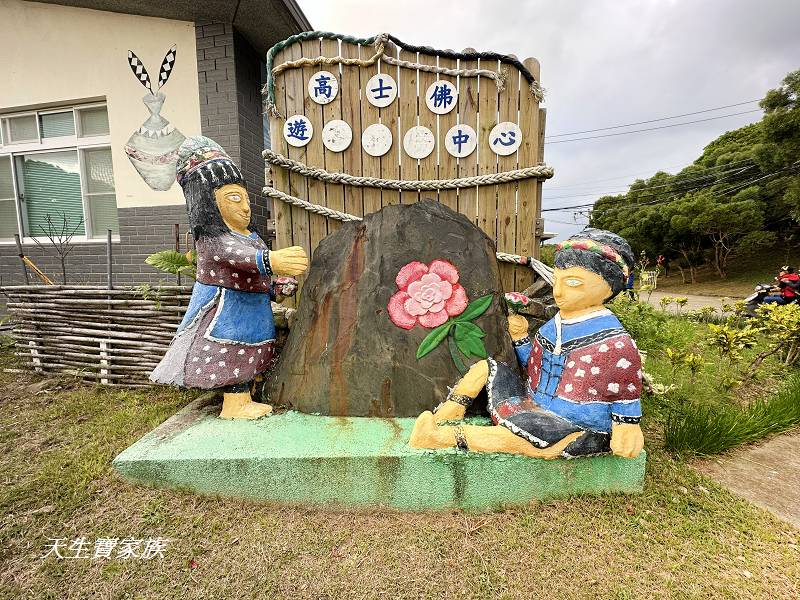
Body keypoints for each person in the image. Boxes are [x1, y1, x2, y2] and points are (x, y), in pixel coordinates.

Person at [409, 228, 644, 459]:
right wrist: (521, 339)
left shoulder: (615, 341)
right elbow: (535, 365)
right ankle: (451, 410)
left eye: (573, 283)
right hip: (532, 401)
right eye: (557, 281)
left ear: (608, 287)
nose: (558, 292)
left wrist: (627, 425)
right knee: (487, 367)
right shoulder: (554, 326)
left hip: (575, 423)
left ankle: (443, 436)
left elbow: (625, 389)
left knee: (531, 444)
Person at [150, 136, 308, 419]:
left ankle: (249, 391)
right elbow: (237, 258)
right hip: (227, 309)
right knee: (231, 351)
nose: (246, 207)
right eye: (234, 199)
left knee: (252, 348)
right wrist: (272, 261)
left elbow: (252, 273)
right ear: (208, 202)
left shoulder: (251, 236)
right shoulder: (214, 240)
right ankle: (235, 403)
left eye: (245, 198)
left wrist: (274, 288)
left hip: (252, 310)